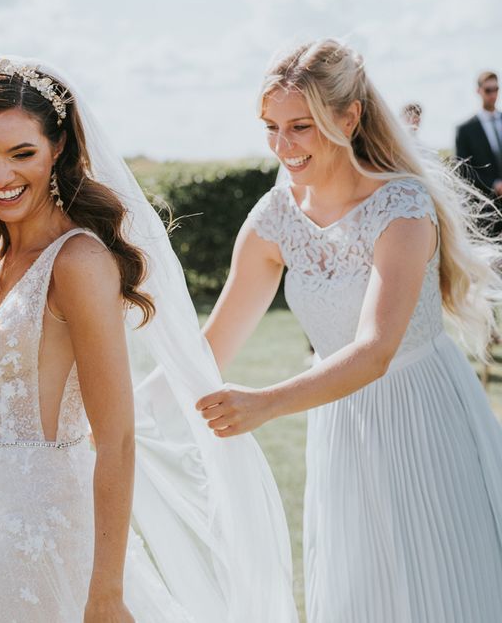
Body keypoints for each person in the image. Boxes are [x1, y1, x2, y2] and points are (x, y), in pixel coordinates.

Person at [0, 57, 297, 622]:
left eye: (22, 153)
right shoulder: (1, 250)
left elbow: (116, 438)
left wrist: (106, 593)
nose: (0, 177)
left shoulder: (78, 260)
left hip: (48, 525)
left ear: (58, 147)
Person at [198, 39, 502, 623]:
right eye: (271, 127)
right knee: (361, 593)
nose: (283, 147)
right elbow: (211, 348)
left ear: (349, 116)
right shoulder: (274, 218)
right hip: (340, 427)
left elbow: (375, 352)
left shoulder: (402, 207)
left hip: (424, 414)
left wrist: (266, 403)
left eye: (301, 127)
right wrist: (126, 409)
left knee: (446, 586)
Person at [456, 72, 502, 237]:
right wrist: (494, 185)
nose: (493, 94)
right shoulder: (465, 130)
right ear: (479, 91)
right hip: (485, 211)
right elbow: (464, 171)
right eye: (488, 90)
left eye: (496, 89)